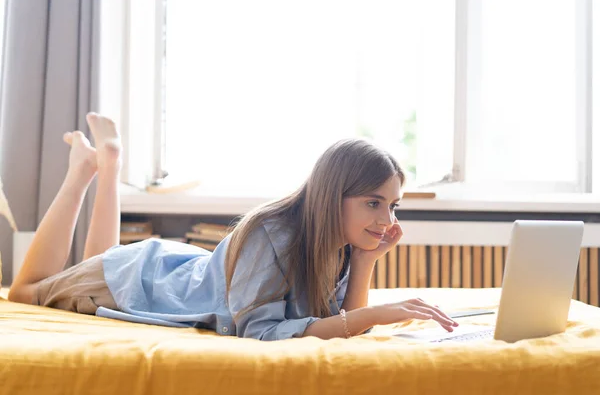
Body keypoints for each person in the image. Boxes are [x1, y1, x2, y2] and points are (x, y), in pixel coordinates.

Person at [8, 113, 458, 340]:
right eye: (373, 203)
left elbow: (332, 321)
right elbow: (259, 332)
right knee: (24, 292)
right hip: (142, 279)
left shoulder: (338, 244)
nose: (387, 220)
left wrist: (364, 262)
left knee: (92, 263)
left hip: (171, 268)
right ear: (331, 195)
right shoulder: (275, 232)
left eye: (394, 206)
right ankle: (82, 171)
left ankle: (107, 163)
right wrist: (376, 314)